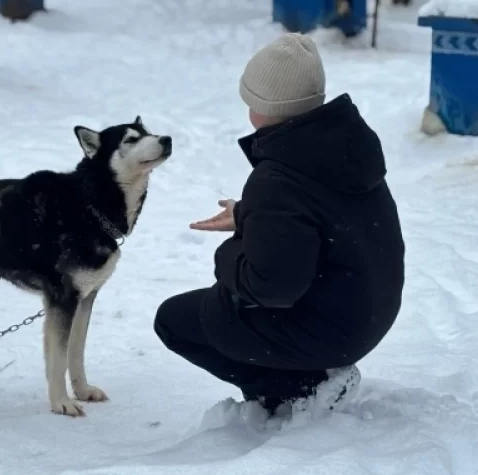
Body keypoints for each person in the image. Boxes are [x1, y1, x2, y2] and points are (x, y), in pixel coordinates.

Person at [154, 33, 405, 416]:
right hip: (368, 311)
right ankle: (305, 373)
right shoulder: (345, 144)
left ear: (262, 105)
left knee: (176, 321)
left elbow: (271, 287)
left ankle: (300, 389)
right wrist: (250, 215)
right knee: (218, 305)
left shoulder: (278, 179)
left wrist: (228, 253)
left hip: (332, 329)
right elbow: (322, 214)